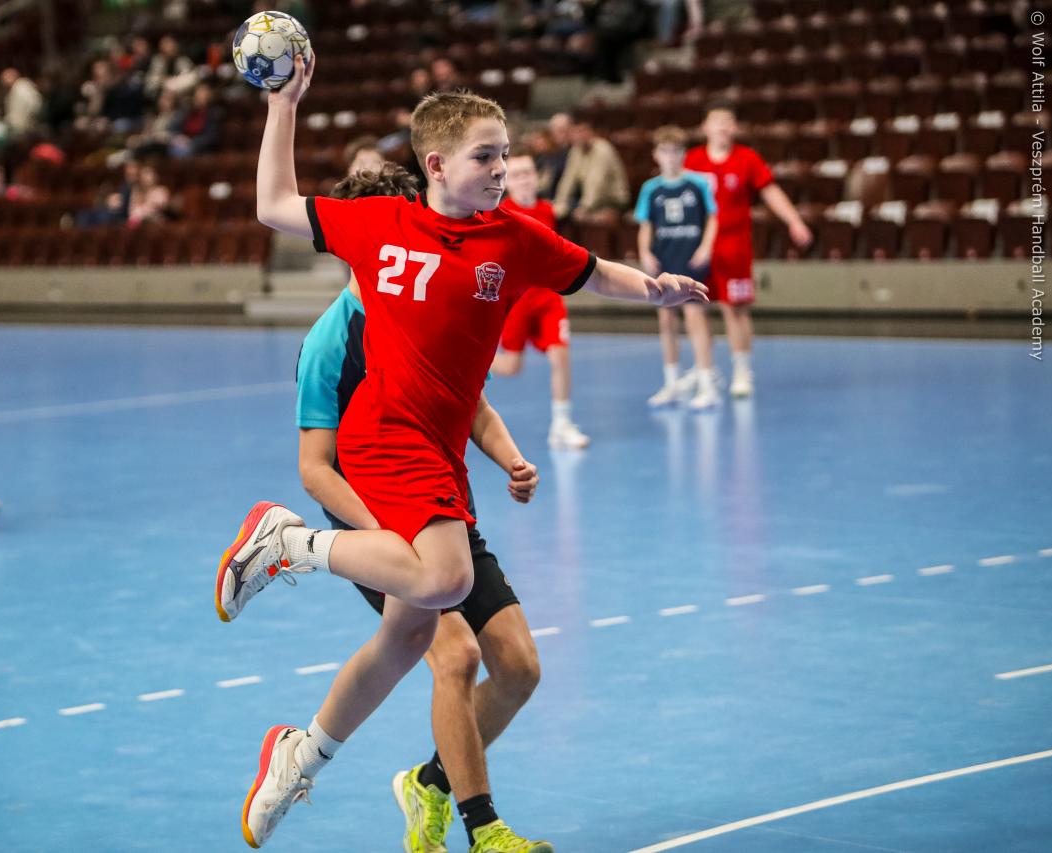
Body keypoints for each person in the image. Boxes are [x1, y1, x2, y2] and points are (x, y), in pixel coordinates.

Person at [215, 53, 706, 850]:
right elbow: (273, 203)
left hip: (441, 464)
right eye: (485, 155)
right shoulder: (377, 236)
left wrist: (655, 288)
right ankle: (291, 546)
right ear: (436, 165)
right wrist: (284, 105)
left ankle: (307, 756)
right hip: (382, 447)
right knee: (448, 607)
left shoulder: (511, 239)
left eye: (505, 153)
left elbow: (589, 272)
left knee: (435, 645)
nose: (501, 168)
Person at [297, 161, 551, 852]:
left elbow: (473, 405)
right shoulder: (329, 342)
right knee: (456, 655)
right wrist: (388, 539)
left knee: (520, 666)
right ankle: (484, 828)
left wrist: (511, 458)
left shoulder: (427, 308)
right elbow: (315, 470)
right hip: (378, 529)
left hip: (444, 513)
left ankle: (428, 782)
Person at [684, 99, 812, 397]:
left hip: (734, 247)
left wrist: (794, 221)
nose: (723, 127)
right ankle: (705, 369)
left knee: (735, 309)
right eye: (717, 121)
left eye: (728, 122)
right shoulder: (692, 160)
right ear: (705, 127)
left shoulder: (746, 158)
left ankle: (742, 369)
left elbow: (770, 191)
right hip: (698, 247)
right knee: (695, 307)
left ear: (735, 127)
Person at [490, 154, 589, 448]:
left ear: (536, 177)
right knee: (511, 367)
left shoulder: (547, 210)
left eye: (528, 173)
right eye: (517, 174)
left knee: (561, 355)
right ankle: (467, 359)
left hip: (547, 298)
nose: (524, 179)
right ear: (507, 181)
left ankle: (562, 424)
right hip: (516, 301)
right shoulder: (499, 213)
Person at [635, 125, 720, 409]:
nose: (670, 157)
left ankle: (706, 382)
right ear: (656, 155)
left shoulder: (698, 184)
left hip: (691, 257)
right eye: (665, 151)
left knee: (695, 316)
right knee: (666, 319)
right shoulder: (651, 188)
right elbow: (646, 224)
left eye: (675, 151)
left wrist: (706, 248)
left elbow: (712, 217)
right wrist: (645, 252)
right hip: (665, 258)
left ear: (683, 154)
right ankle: (672, 382)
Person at [551, 119, 629, 224]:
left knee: (578, 215)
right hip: (591, 200)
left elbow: (596, 182)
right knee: (561, 211)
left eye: (582, 131)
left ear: (590, 132)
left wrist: (585, 208)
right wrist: (559, 202)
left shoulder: (602, 149)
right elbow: (568, 179)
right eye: (576, 132)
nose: (579, 136)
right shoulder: (576, 150)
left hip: (612, 200)